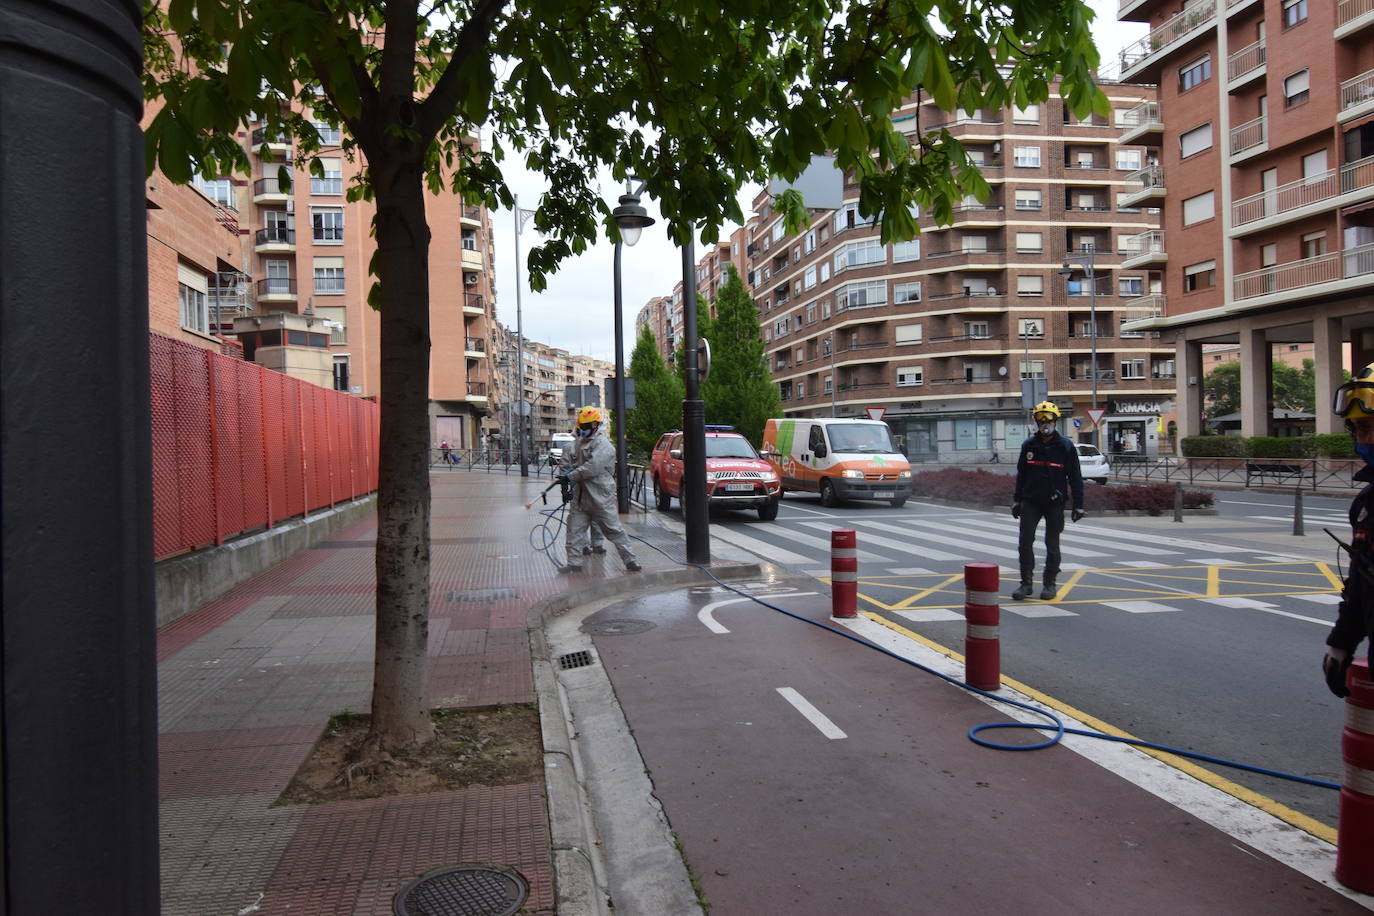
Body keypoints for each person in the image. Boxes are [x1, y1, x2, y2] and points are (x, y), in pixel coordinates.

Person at [1322, 363, 1374, 698]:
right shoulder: (1367, 504)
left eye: (1368, 427)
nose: (1361, 440)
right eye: (1356, 429)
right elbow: (1363, 584)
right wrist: (1340, 646)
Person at [1011, 401, 1085, 601]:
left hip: (1055, 502)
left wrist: (1079, 505)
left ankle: (1049, 584)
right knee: (1025, 542)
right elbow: (1021, 475)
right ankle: (1026, 584)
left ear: (1055, 421)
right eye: (1040, 419)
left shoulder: (1065, 446)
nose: (1045, 423)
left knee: (1052, 544)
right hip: (1031, 501)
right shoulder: (1029, 445)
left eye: (1048, 419)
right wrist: (1017, 500)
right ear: (1036, 421)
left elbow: (1076, 477)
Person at [560, 406, 640, 574]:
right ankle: (574, 564)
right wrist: (566, 480)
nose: (583, 429)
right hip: (581, 497)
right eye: (582, 426)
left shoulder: (603, 445)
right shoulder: (578, 444)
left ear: (596, 425)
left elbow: (593, 467)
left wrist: (571, 476)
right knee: (574, 530)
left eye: (587, 426)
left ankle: (630, 560)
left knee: (614, 530)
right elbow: (572, 464)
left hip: (600, 497)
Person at [557, 423, 605, 556]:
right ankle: (585, 545)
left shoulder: (594, 446)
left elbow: (598, 466)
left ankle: (597, 544)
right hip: (577, 489)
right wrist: (565, 489)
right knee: (579, 521)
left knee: (595, 517)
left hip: (593, 487)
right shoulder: (569, 448)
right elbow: (564, 469)